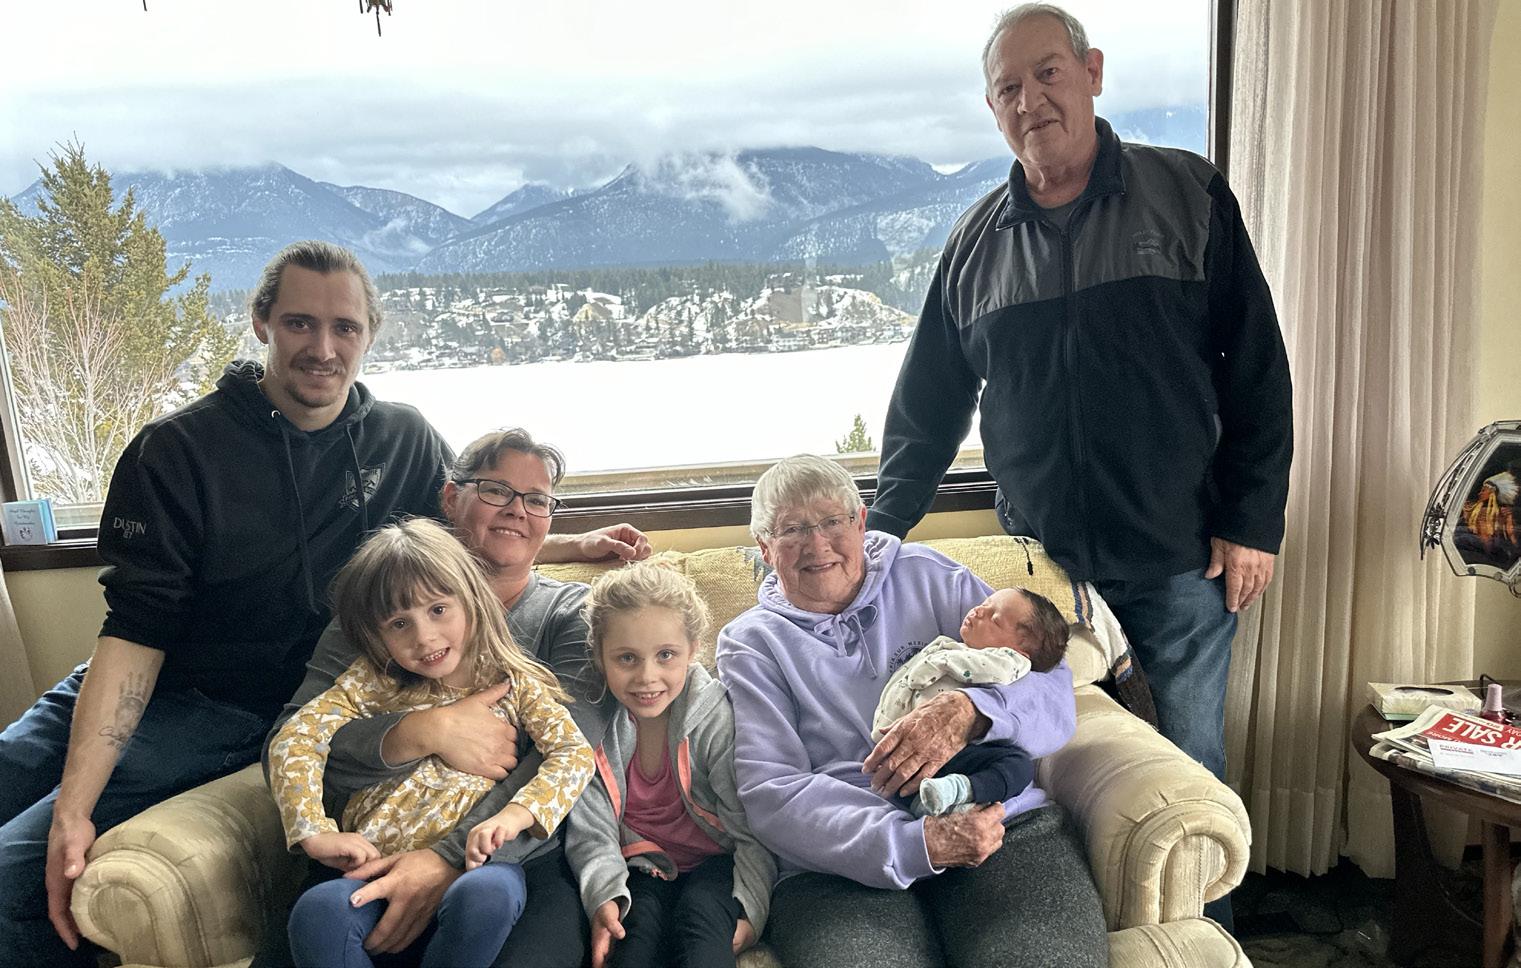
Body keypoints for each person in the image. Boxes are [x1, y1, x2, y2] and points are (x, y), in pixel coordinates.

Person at [0, 239, 646, 968]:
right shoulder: (176, 451)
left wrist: (570, 542)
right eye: (300, 323)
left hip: (225, 712)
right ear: (261, 323)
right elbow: (135, 628)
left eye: (345, 328)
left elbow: (468, 534)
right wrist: (74, 809)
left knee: (13, 870)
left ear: (369, 336)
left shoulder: (401, 441)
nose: (324, 347)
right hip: (137, 678)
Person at [870, 2, 1293, 801]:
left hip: (1175, 556)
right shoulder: (973, 246)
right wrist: (880, 534)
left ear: (1091, 72)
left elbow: (1257, 371)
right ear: (991, 108)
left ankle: (1203, 889)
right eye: (1008, 89)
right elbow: (928, 405)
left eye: (1047, 74)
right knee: (1054, 771)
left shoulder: (1187, 193)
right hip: (1041, 571)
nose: (1029, 101)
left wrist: (1250, 521)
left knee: (1186, 772)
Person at [253, 427, 649, 968]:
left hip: (516, 859)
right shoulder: (376, 606)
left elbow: (564, 753)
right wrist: (422, 732)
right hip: (370, 852)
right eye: (496, 490)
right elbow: (290, 744)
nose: (517, 510)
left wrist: (445, 858)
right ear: (450, 497)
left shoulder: (576, 617)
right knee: (315, 930)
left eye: (536, 500)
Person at [717, 455, 1107, 968]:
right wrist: (910, 843)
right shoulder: (750, 643)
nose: (817, 544)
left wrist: (974, 710)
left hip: (997, 820)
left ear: (861, 521)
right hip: (841, 862)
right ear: (765, 548)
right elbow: (772, 790)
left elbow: (1049, 685)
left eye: (833, 521)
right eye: (792, 530)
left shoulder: (929, 575)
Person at [271, 518, 594, 967]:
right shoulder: (368, 683)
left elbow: (573, 752)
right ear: (376, 635)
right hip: (376, 865)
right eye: (400, 623)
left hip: (480, 867)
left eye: (438, 609)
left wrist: (516, 814)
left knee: (486, 897)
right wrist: (313, 830)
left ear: (472, 599)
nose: (424, 637)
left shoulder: (514, 682)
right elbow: (295, 738)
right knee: (318, 913)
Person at [564, 562, 776, 968]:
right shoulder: (592, 726)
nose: (647, 676)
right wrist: (604, 896)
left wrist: (752, 909)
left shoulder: (713, 717)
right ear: (600, 658)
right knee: (633, 940)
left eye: (666, 655)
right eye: (627, 658)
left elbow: (750, 823)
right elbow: (592, 830)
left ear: (692, 650)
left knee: (701, 931)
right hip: (640, 865)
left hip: (717, 862)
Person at [871, 586, 1068, 817]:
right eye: (984, 604)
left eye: (994, 619)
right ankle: (937, 803)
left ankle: (962, 791)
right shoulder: (950, 647)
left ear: (1016, 651)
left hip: (966, 752)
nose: (978, 611)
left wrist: (939, 662)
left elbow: (990, 669)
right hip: (913, 755)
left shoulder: (1009, 662)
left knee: (1018, 765)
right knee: (896, 778)